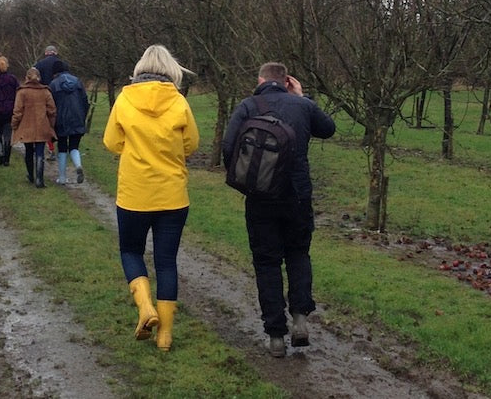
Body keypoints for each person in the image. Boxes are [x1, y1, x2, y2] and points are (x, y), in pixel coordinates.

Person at [221, 62, 335, 358]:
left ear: (260, 80)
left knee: (266, 263)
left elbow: (228, 146)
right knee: (298, 254)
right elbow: (328, 129)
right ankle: (300, 319)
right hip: (298, 196)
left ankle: (275, 336)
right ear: (287, 81)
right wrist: (304, 97)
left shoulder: (248, 105)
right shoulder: (301, 106)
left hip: (261, 198)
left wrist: (248, 180)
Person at [102, 45, 199, 351]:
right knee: (167, 262)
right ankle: (165, 336)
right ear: (172, 70)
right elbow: (191, 145)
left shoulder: (124, 99)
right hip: (172, 195)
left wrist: (134, 149)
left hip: (134, 194)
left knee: (131, 252)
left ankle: (145, 308)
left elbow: (111, 142)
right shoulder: (179, 102)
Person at [11, 67, 56, 188]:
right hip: (42, 126)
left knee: (29, 152)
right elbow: (52, 111)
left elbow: (18, 111)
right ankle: (39, 179)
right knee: (40, 152)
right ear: (39, 78)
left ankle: (31, 175)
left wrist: (14, 125)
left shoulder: (22, 92)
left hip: (26, 127)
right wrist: (51, 125)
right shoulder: (46, 92)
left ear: (26, 78)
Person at [48, 60, 89, 184]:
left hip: (61, 120)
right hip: (77, 118)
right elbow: (85, 101)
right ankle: (78, 165)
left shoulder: (53, 85)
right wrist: (82, 117)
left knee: (62, 147)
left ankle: (62, 177)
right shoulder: (77, 81)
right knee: (74, 146)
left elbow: (51, 105)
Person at [0, 56, 19, 167]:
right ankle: (7, 158)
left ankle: (0, 150)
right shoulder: (13, 79)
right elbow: (18, 93)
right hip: (9, 108)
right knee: (8, 133)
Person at [34, 45, 61, 160]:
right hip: (59, 95)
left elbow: (34, 77)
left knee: (46, 122)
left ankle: (51, 148)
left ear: (46, 53)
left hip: (43, 96)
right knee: (57, 120)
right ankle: (61, 145)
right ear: (56, 52)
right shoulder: (61, 63)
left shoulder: (39, 64)